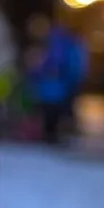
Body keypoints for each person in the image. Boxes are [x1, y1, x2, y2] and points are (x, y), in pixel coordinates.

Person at [23, 14, 88, 145]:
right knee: (52, 114)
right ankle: (53, 137)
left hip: (56, 87)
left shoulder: (56, 42)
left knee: (53, 114)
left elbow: (54, 65)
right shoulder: (62, 41)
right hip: (56, 87)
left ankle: (52, 137)